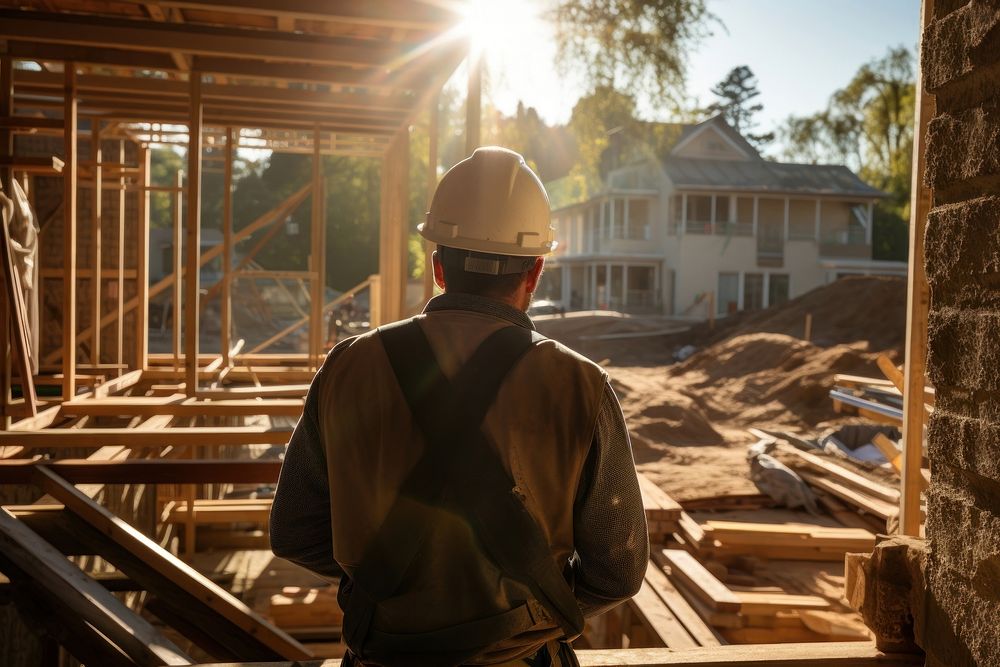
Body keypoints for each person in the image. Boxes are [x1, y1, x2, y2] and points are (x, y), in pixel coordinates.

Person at [270, 147, 648, 667]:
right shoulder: (581, 386)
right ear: (535, 272)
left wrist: (395, 593)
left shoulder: (347, 367)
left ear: (437, 267)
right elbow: (619, 570)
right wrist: (527, 609)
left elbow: (294, 532)